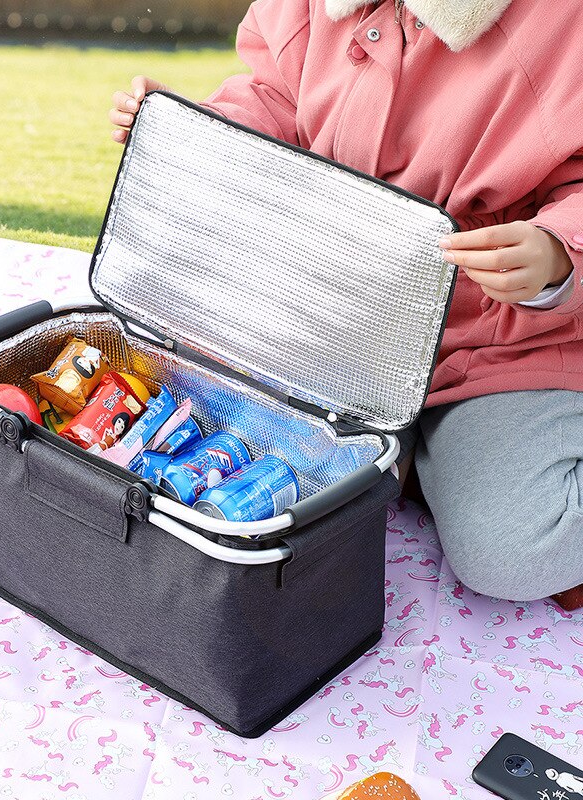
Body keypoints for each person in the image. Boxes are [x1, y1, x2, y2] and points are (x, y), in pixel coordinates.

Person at [107, 0, 583, 606]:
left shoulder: (561, 21)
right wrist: (194, 129)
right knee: (201, 435)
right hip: (332, 323)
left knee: (510, 549)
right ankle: (414, 460)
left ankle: (435, 456)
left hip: (494, 344)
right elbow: (275, 99)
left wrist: (557, 252)